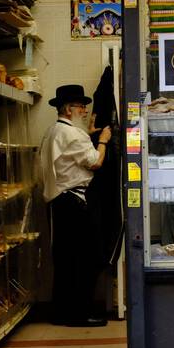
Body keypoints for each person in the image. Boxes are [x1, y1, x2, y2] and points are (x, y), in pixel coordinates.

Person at [37, 83, 111, 327]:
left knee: (66, 260)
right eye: (81, 106)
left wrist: (88, 135)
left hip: (59, 201)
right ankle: (80, 313)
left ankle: (63, 312)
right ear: (68, 109)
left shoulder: (54, 131)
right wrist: (103, 140)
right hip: (74, 201)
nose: (85, 110)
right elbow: (95, 162)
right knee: (86, 259)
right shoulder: (73, 134)